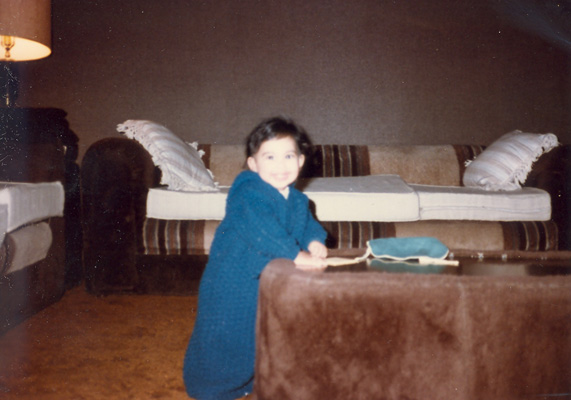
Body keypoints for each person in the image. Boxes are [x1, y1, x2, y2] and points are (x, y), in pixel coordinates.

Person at [183, 116, 328, 400]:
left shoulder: (299, 201)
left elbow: (308, 225)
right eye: (269, 157)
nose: (280, 165)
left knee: (259, 331)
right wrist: (296, 255)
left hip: (264, 279)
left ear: (300, 161)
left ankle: (249, 381)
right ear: (253, 164)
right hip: (232, 279)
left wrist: (315, 241)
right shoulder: (247, 192)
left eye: (288, 156)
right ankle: (210, 387)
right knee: (225, 334)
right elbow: (262, 230)